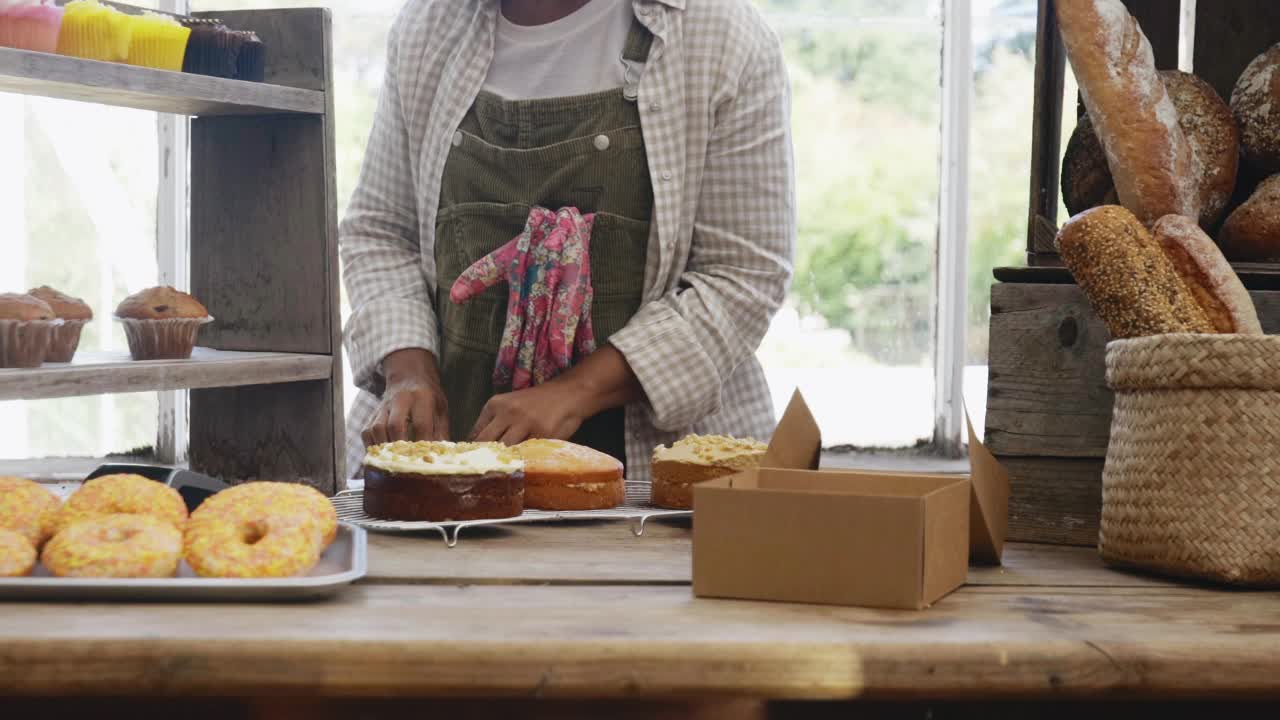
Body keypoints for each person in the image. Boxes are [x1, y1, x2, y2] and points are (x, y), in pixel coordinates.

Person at [340, 0, 796, 482]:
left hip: (649, 476)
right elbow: (380, 231)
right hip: (445, 464)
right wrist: (409, 370)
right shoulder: (429, 26)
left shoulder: (719, 35)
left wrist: (574, 392)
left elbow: (743, 276)